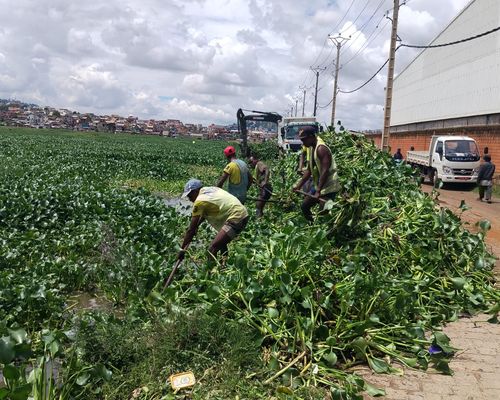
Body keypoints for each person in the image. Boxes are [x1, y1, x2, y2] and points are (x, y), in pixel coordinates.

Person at [177, 179, 249, 264]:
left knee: (212, 249)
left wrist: (182, 250)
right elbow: (204, 213)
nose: (189, 198)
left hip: (236, 217)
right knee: (221, 244)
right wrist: (197, 225)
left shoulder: (199, 201)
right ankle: (223, 267)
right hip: (242, 213)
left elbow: (190, 230)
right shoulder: (210, 189)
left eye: (189, 195)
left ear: (195, 191)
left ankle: (210, 273)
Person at [292, 126, 340, 222]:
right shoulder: (311, 147)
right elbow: (309, 170)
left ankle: (321, 230)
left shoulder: (321, 149)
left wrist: (318, 191)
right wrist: (298, 186)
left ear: (311, 137)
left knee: (322, 215)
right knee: (304, 206)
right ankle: (311, 225)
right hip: (318, 184)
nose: (303, 142)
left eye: (304, 139)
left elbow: (325, 171)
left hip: (329, 186)